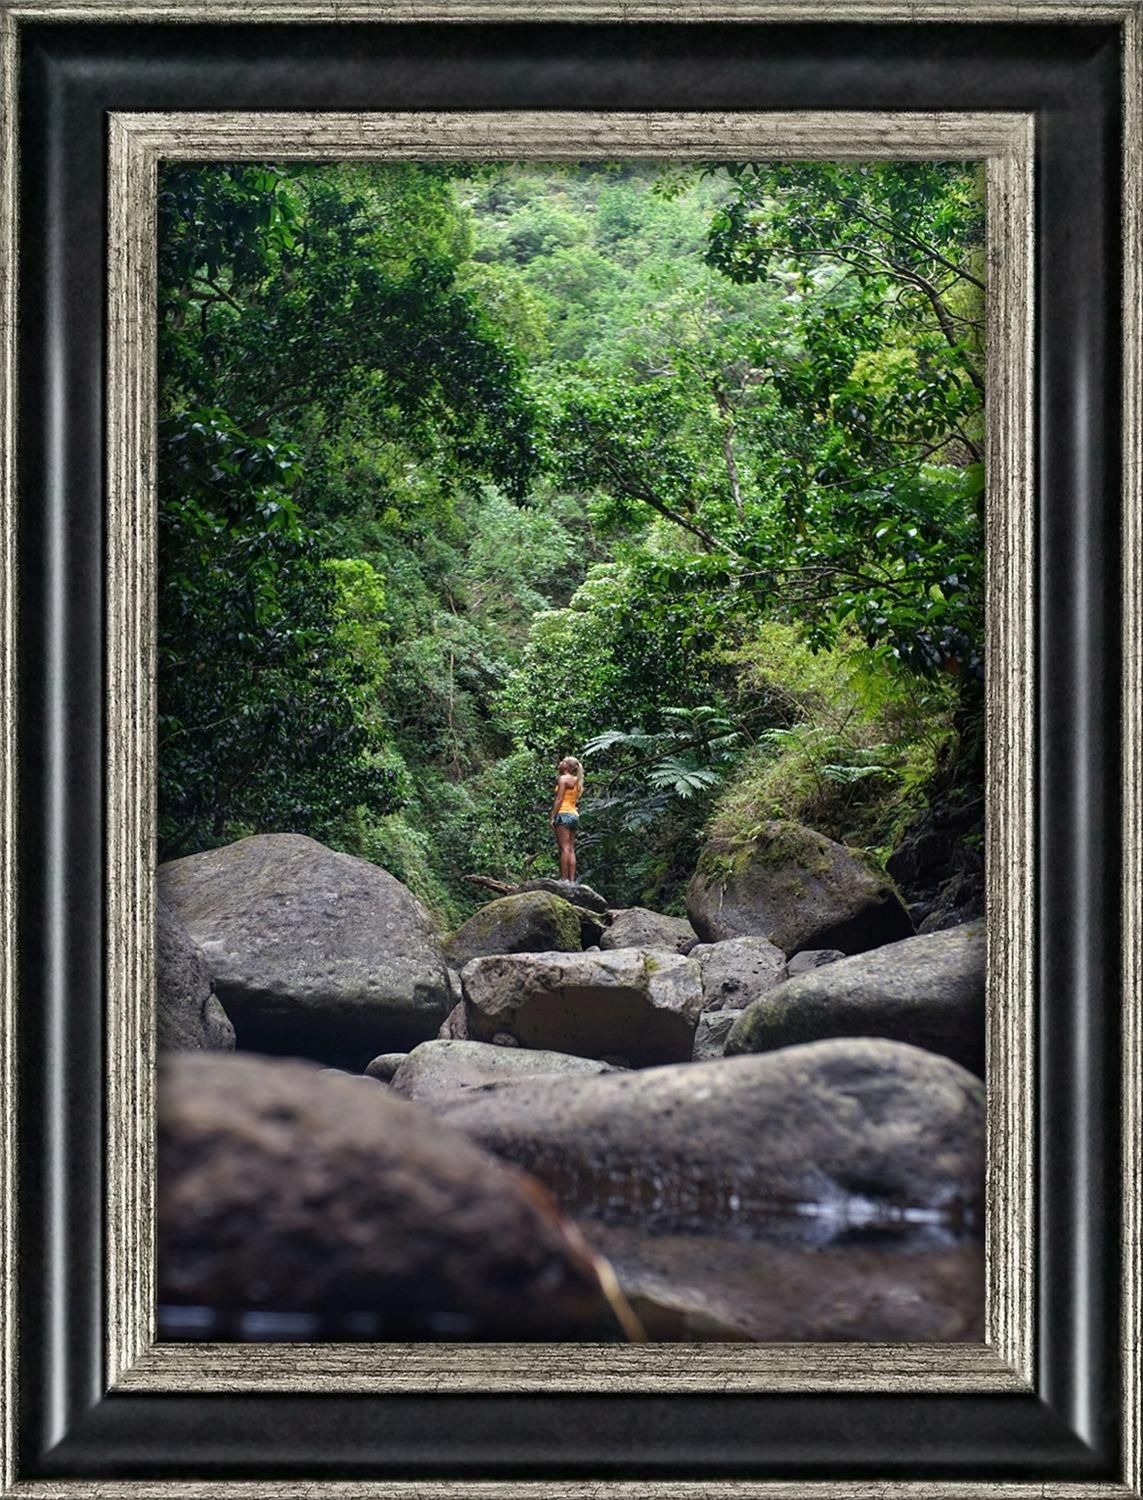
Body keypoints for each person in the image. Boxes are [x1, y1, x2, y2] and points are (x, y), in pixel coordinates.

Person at [550, 755, 584, 883]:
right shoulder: (577, 780)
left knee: (564, 848)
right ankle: (571, 880)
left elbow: (559, 799)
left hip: (563, 814)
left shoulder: (563, 779)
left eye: (563, 762)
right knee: (570, 848)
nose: (560, 763)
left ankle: (563, 880)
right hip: (574, 815)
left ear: (567, 767)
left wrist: (553, 816)